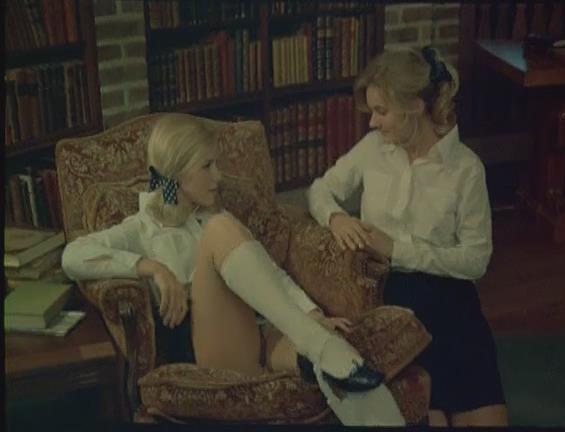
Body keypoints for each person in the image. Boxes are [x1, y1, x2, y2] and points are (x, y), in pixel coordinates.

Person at [62, 113, 383, 393]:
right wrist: (153, 268)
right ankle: (317, 344)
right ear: (177, 174)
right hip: (203, 350)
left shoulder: (211, 216)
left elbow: (269, 273)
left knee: (331, 353)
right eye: (207, 166)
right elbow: (73, 256)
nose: (218, 176)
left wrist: (314, 315)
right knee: (220, 227)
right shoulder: (142, 228)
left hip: (255, 333)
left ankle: (319, 355)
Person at [307, 47, 509, 427]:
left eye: (381, 111)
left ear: (415, 106)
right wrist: (336, 218)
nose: (372, 123)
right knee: (430, 418)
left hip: (451, 302)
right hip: (388, 297)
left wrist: (399, 249)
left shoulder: (466, 169)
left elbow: (476, 260)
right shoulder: (373, 149)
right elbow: (320, 190)